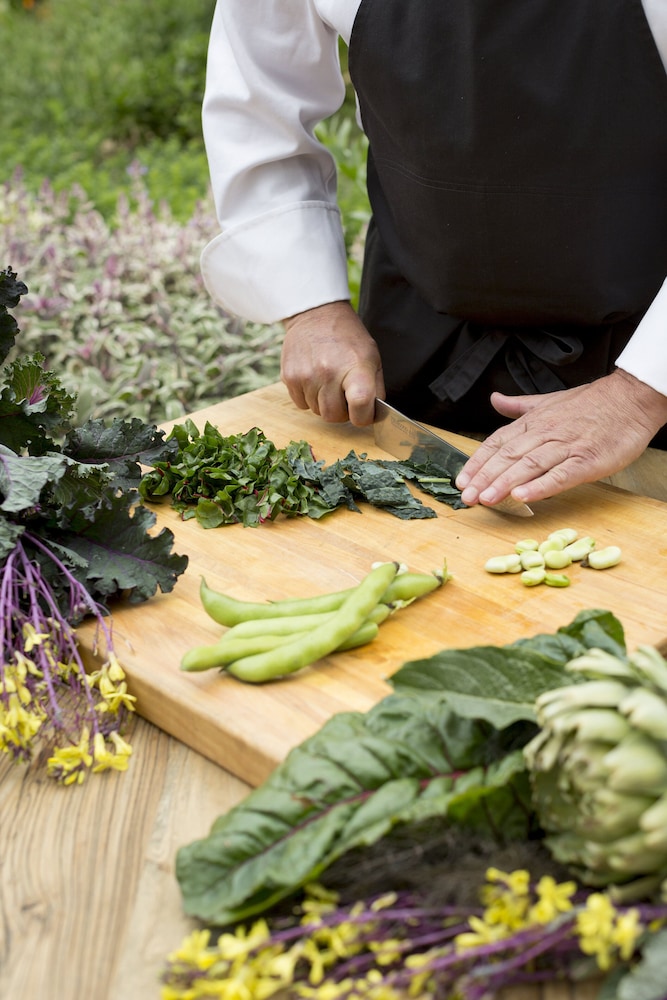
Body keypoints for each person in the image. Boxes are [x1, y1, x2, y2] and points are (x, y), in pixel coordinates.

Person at [199, 0, 667, 510]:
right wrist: (311, 307)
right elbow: (258, 106)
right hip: (414, 347)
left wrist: (641, 393)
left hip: (643, 359)